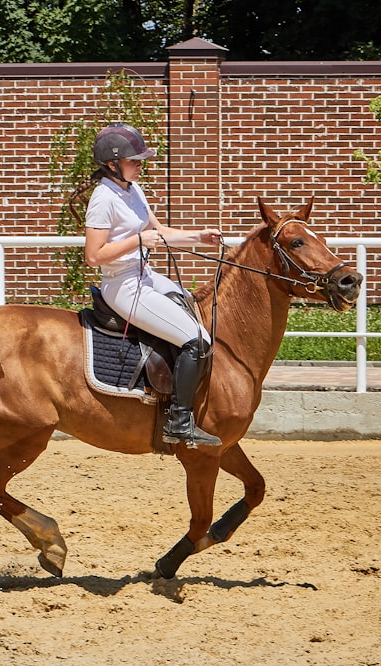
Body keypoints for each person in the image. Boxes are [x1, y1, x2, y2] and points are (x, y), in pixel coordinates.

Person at [81, 123, 223, 448]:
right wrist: (137, 240)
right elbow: (93, 256)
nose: (141, 165)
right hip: (123, 286)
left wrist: (198, 237)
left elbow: (158, 230)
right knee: (197, 340)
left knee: (192, 308)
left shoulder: (132, 189)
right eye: (135, 160)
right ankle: (179, 422)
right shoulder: (103, 198)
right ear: (112, 163)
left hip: (144, 275)